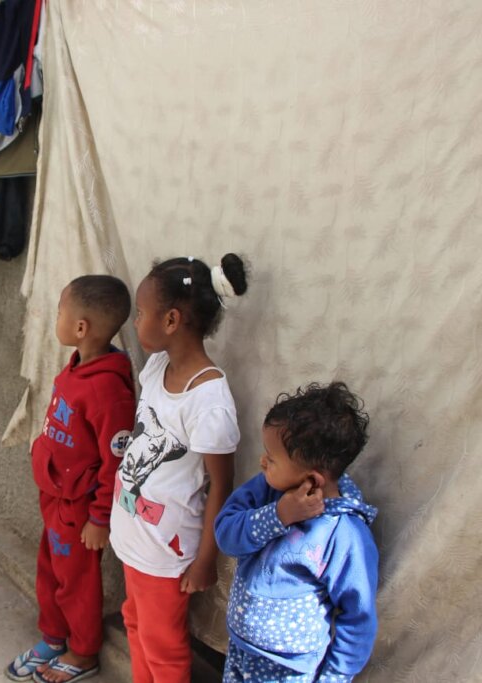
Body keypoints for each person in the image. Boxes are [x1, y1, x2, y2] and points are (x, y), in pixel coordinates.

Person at [109, 254, 248, 683]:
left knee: (164, 648)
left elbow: (221, 488)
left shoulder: (209, 403)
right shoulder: (156, 368)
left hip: (164, 551)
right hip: (134, 535)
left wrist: (207, 558)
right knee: (135, 623)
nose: (134, 321)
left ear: (171, 320)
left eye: (141, 313)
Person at [6, 275, 137, 683]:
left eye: (61, 310)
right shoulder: (79, 364)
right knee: (50, 571)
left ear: (81, 328)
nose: (56, 316)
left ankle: (83, 652)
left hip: (80, 510)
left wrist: (99, 519)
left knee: (76, 582)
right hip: (56, 499)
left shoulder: (108, 392)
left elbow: (114, 462)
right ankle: (54, 636)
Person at [214, 382, 379, 682]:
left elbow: (358, 617)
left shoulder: (345, 534)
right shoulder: (266, 491)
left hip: (292, 672)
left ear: (313, 480)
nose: (262, 461)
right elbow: (226, 535)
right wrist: (278, 515)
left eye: (271, 458)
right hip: (240, 652)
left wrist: (333, 678)